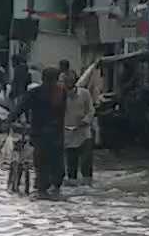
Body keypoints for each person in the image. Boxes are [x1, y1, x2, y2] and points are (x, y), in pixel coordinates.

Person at [14, 66, 68, 198]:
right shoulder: (60, 93)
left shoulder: (37, 92)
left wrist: (9, 119)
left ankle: (44, 189)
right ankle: (52, 189)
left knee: (43, 163)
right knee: (55, 163)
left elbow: (21, 107)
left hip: (43, 134)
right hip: (53, 134)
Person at [63, 65, 95, 184]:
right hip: (68, 134)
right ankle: (73, 186)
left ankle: (87, 185)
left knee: (86, 163)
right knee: (71, 165)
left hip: (84, 133)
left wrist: (85, 121)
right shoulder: (61, 96)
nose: (68, 84)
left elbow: (91, 111)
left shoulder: (84, 94)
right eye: (66, 81)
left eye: (70, 81)